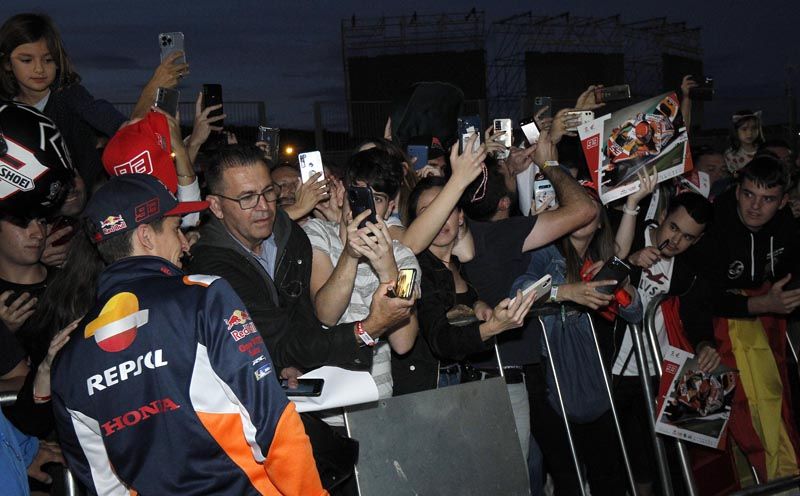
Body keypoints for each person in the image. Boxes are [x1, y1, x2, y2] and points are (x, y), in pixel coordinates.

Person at [52, 173, 326, 495]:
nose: (185, 244)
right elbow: (273, 422)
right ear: (145, 236)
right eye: (175, 229)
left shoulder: (67, 362)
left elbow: (104, 486)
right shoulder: (204, 296)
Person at [513, 181, 642, 495]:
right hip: (551, 383)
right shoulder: (545, 253)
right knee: (569, 479)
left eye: (590, 207)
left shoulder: (603, 260)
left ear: (599, 221)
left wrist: (620, 287)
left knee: (608, 476)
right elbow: (519, 290)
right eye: (574, 207)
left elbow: (636, 313)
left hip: (597, 384)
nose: (582, 215)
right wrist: (567, 291)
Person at [690, 156, 800, 481]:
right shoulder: (712, 226)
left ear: (782, 202)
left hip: (766, 334)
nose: (755, 206)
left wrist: (789, 295)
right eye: (749, 194)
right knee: (711, 430)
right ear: (737, 191)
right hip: (708, 339)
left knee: (769, 411)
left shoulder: (787, 227)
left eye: (767, 199)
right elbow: (698, 296)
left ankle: (777, 481)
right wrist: (758, 303)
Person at [613, 191, 720, 494]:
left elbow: (698, 316)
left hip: (658, 373)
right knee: (624, 459)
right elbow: (602, 274)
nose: (675, 240)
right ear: (661, 217)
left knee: (667, 459)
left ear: (696, 241)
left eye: (687, 237)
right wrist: (631, 262)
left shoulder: (689, 271)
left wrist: (704, 345)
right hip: (613, 372)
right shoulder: (629, 236)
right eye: (673, 227)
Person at [0, 13, 185, 188]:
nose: (39, 69)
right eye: (26, 60)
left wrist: (153, 88)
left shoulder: (71, 96)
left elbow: (126, 131)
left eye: (48, 60)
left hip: (85, 207)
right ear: (7, 63)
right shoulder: (6, 113)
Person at [391, 177, 537, 395]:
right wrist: (492, 327)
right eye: (427, 212)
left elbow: (458, 311)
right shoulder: (407, 266)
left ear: (460, 216)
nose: (440, 220)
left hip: (458, 383)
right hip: (420, 390)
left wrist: (478, 305)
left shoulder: (458, 264)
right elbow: (438, 338)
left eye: (446, 209)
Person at [305, 147, 420, 404]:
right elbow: (326, 313)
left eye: (375, 198)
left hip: (375, 399)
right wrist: (351, 254)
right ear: (344, 194)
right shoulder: (317, 234)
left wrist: (389, 270)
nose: (363, 208)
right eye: (358, 195)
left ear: (390, 207)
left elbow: (404, 342)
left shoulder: (404, 259)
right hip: (323, 399)